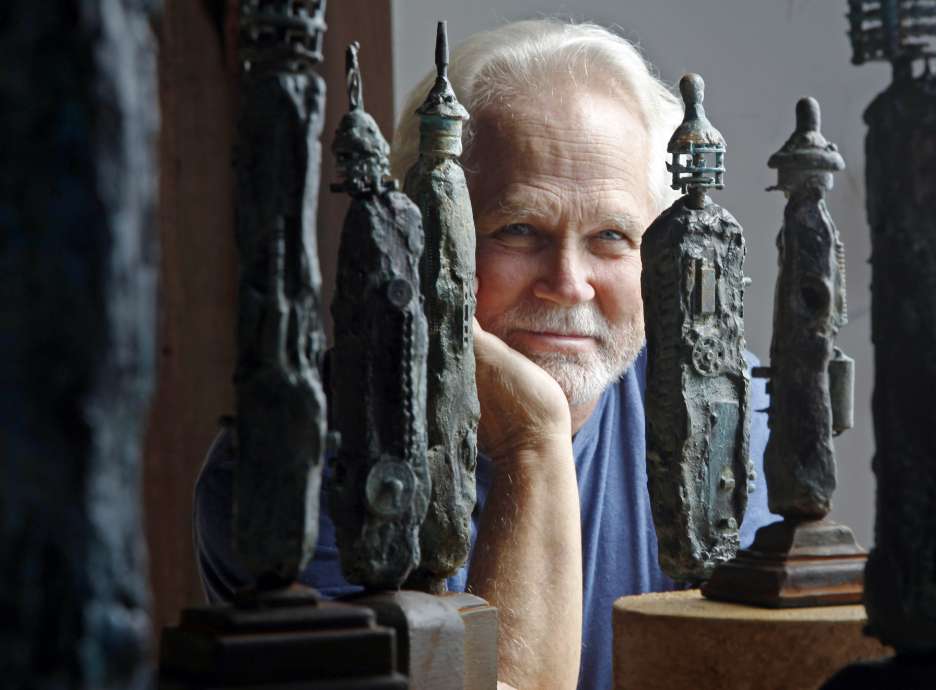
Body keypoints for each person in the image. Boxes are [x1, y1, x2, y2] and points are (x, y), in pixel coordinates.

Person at [195, 18, 772, 690]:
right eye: (519, 229)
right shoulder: (289, 470)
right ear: (424, 235)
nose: (569, 283)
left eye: (612, 236)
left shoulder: (721, 403)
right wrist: (533, 443)